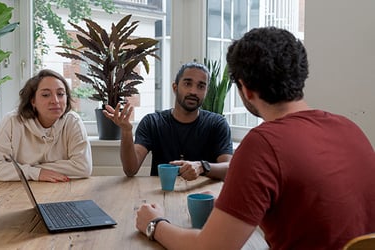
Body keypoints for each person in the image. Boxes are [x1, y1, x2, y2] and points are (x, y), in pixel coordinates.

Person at [135, 27, 375, 249]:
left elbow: (208, 248)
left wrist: (155, 224)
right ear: (300, 76)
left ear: (246, 89)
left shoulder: (263, 144)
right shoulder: (350, 128)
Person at [103, 62, 233, 181]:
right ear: (175, 87)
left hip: (201, 198)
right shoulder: (152, 122)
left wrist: (202, 167)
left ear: (206, 91)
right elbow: (130, 170)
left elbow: (229, 169)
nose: (194, 91)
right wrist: (126, 132)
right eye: (188, 84)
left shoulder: (217, 124)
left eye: (201, 86)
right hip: (160, 197)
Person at [0, 69, 92, 182]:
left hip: (61, 188)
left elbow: (83, 167)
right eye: (45, 95)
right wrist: (35, 173)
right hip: (18, 191)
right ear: (32, 101)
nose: (55, 100)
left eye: (60, 94)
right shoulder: (12, 122)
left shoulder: (73, 121)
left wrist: (25, 169)